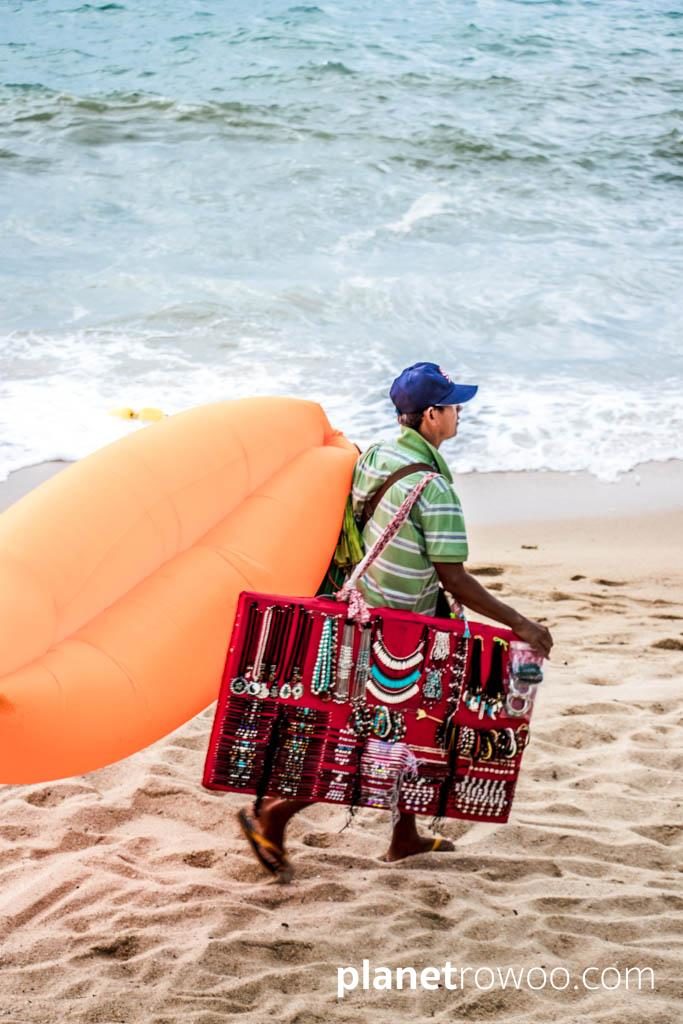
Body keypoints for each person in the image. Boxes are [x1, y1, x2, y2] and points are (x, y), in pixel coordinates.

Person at [238, 362, 553, 878]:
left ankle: (403, 836)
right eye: (453, 407)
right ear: (431, 415)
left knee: (413, 732)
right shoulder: (435, 488)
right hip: (404, 629)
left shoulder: (378, 456)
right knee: (369, 737)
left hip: (362, 610)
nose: (459, 416)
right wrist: (521, 624)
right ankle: (272, 815)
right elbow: (455, 578)